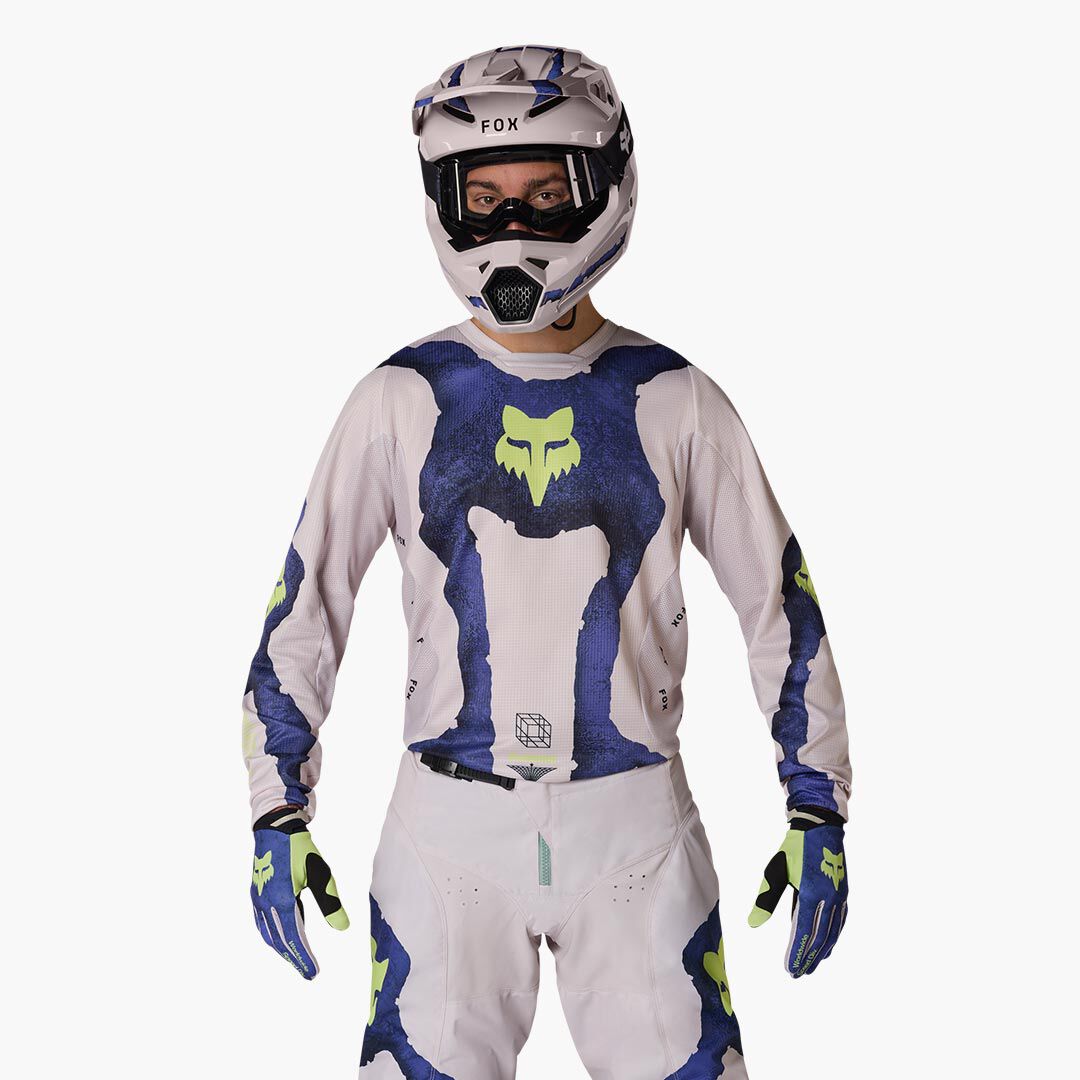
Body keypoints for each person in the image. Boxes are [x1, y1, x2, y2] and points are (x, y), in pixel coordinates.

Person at [242, 45, 852, 1080]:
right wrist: (275, 807)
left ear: (602, 185)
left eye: (543, 194)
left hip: (634, 836)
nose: (512, 226)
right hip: (449, 835)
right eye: (483, 199)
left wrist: (816, 802)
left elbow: (778, 606)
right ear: (445, 201)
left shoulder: (681, 402)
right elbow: (309, 608)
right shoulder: (395, 400)